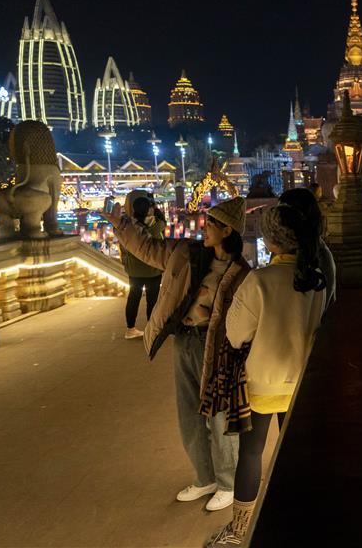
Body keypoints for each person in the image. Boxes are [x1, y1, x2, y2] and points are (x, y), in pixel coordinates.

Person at [100, 197, 249, 513]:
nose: (203, 228)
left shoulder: (242, 272)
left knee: (219, 415)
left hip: (219, 347)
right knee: (189, 413)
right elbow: (149, 248)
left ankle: (228, 483)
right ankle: (205, 477)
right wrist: (121, 225)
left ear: (227, 230)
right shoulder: (188, 253)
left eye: (211, 224)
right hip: (185, 339)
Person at [206, 190, 334, 546]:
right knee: (294, 452)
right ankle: (298, 519)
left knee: (252, 452)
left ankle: (240, 532)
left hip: (261, 383)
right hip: (301, 383)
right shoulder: (316, 281)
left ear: (273, 240)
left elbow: (234, 334)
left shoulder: (259, 281)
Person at [120, 191, 166, 339]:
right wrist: (155, 207)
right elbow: (162, 220)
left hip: (134, 269)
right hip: (152, 268)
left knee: (133, 297)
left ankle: (130, 329)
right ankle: (151, 329)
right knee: (152, 300)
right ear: (148, 209)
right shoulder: (154, 225)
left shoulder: (129, 225)